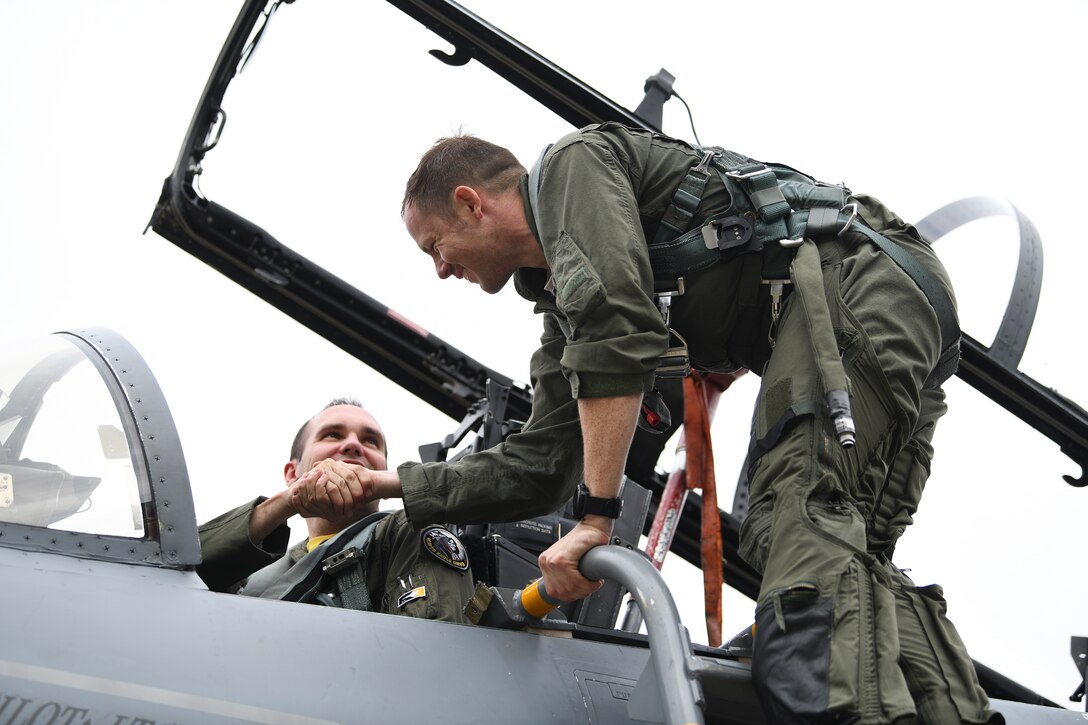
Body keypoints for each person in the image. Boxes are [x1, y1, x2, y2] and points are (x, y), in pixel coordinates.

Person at [325, 122, 992, 723]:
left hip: (855, 284)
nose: (441, 270)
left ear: (471, 202)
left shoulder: (571, 168)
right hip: (886, 301)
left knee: (798, 512)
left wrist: (595, 518)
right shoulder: (565, 306)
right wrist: (386, 487)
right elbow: (539, 463)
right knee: (852, 561)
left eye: (435, 245)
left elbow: (617, 324)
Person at [196, 398, 475, 624]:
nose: (353, 444)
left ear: (382, 470)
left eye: (370, 441)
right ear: (292, 473)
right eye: (332, 435)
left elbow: (430, 651)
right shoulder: (254, 575)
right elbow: (177, 571)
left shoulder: (405, 535)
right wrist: (286, 502)